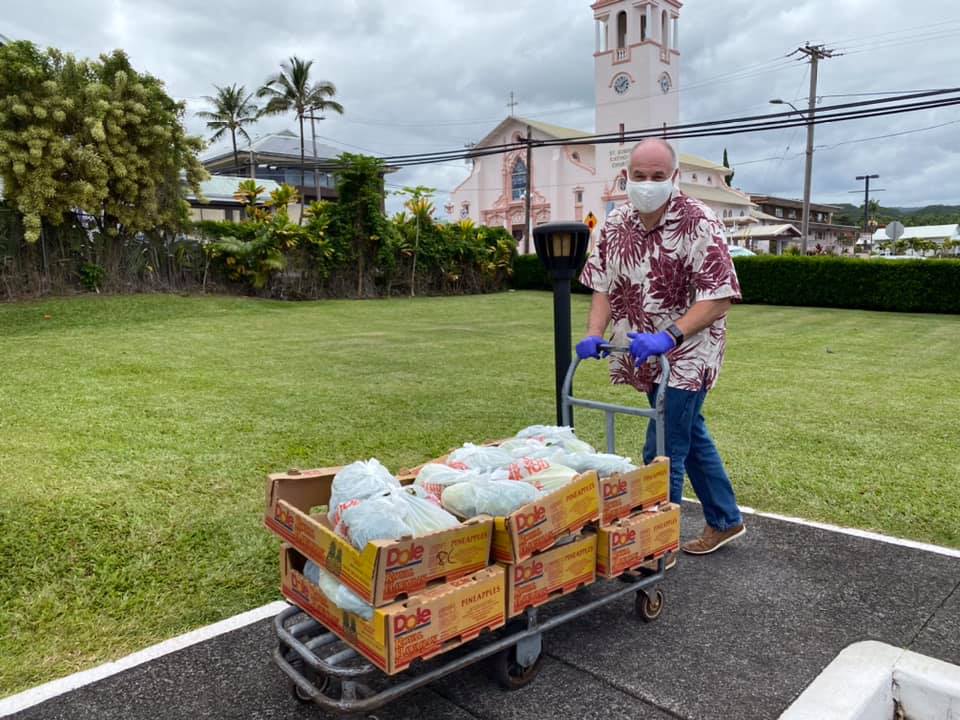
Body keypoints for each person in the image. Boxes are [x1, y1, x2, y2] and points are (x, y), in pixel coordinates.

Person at [576, 138, 745, 558]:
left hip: (689, 351)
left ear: (674, 177)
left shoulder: (699, 222)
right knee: (689, 433)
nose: (647, 184)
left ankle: (655, 547)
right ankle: (726, 520)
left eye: (656, 176)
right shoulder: (615, 224)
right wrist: (595, 333)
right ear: (626, 177)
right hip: (642, 348)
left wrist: (669, 336)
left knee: (663, 448)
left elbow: (719, 296)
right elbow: (601, 285)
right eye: (639, 176)